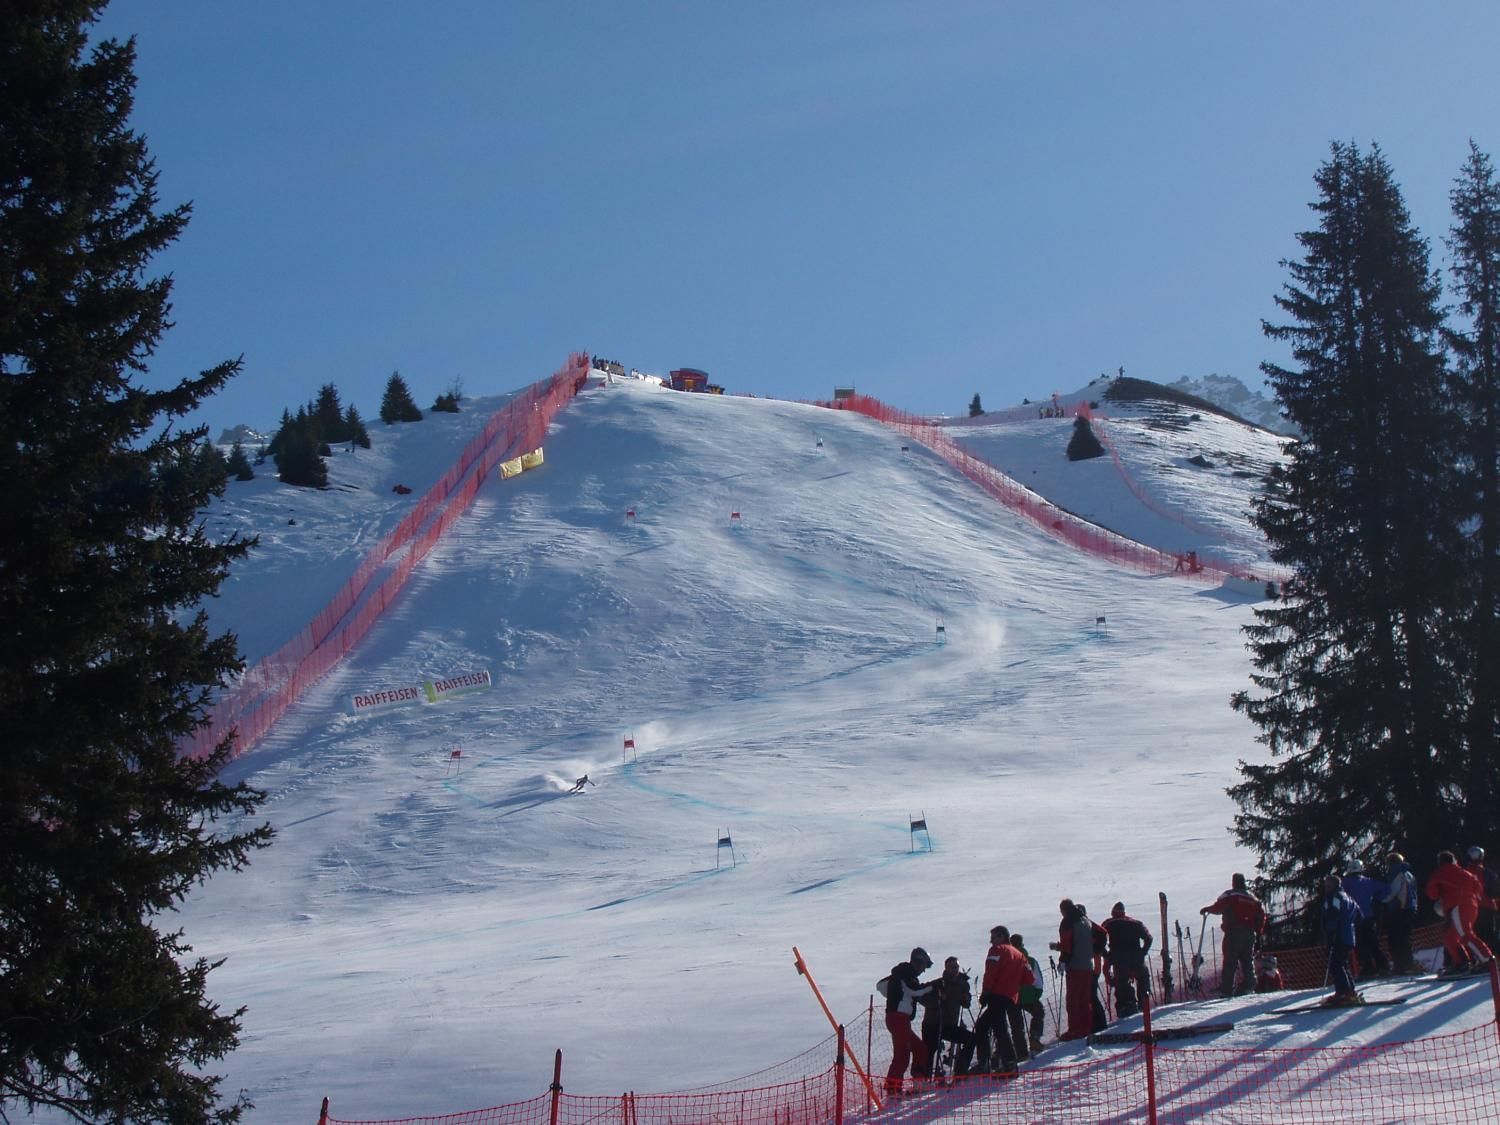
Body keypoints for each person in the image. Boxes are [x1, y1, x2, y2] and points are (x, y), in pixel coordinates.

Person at [974, 925, 1032, 1074]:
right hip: (1010, 997)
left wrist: (985, 992)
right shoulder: (1019, 954)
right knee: (993, 1026)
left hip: (996, 995)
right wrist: (1014, 983)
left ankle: (1000, 1064)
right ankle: (1000, 1063)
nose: (991, 941)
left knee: (990, 1027)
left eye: (993, 937)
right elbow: (1030, 978)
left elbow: (990, 972)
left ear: (1001, 936)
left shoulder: (997, 950)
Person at [1425, 851, 1494, 975]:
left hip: (1457, 907)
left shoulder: (1439, 874)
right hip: (1472, 906)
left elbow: (1432, 894)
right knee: (1451, 938)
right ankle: (1461, 962)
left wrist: (1443, 894)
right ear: (1454, 860)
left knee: (1465, 935)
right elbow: (1478, 887)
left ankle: (1487, 960)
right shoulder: (1465, 872)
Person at [1201, 873, 1266, 997]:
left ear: (1234, 882)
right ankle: (1249, 985)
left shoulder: (1231, 895)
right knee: (1247, 959)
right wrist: (1258, 931)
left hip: (1234, 931)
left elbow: (1219, 907)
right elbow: (1261, 916)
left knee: (1230, 960)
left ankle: (1227, 989)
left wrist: (1207, 909)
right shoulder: (1253, 898)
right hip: (1250, 933)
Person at [883, 947, 936, 1095]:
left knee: (920, 1048)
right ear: (918, 962)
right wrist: (934, 986)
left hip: (901, 1019)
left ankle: (918, 1081)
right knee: (902, 1055)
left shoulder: (908, 976)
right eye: (924, 966)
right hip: (897, 1018)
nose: (924, 970)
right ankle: (893, 1089)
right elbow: (915, 991)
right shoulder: (904, 974)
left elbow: (915, 993)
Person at [1050, 899, 1096, 1040]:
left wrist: (1062, 960)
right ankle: (1086, 1028)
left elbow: (1067, 944)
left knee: (1073, 1000)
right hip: (1088, 964)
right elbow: (1101, 933)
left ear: (1064, 910)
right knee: (1084, 998)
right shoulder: (1085, 920)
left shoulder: (1067, 922)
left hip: (1075, 965)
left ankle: (1075, 1030)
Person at [1102, 901, 1153, 1018]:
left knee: (1123, 985)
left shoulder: (1108, 923)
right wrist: (1142, 952)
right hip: (1137, 958)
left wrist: (1108, 956)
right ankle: (1144, 1005)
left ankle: (1127, 1010)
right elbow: (1148, 938)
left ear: (1113, 913)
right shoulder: (1135, 923)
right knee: (1143, 979)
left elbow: (1098, 939)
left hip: (1119, 960)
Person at [1320, 872, 1364, 1006]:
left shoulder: (1334, 898)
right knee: (1342, 963)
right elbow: (1359, 915)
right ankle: (1350, 991)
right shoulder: (1347, 897)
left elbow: (1333, 916)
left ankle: (1343, 992)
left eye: (1327, 885)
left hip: (1338, 935)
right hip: (1349, 935)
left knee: (1335, 965)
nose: (1325, 888)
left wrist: (1331, 936)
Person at [1340, 863, 1390, 979]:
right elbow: (1386, 889)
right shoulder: (1368, 881)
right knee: (1373, 942)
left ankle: (1368, 968)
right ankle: (1383, 965)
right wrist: (1378, 899)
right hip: (1369, 916)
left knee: (1359, 944)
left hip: (1355, 918)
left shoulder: (1346, 882)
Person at [1378, 852, 1423, 974]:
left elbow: (1392, 892)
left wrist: (1381, 898)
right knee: (1405, 937)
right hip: (1410, 907)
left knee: (1396, 938)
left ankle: (1402, 965)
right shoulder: (1409, 874)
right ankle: (1407, 964)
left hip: (1399, 908)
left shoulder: (1396, 873)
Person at [935, 956, 976, 1078]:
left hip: (952, 1024)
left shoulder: (961, 984)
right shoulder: (940, 984)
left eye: (956, 967)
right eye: (952, 967)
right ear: (946, 968)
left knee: (971, 1039)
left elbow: (966, 1004)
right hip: (938, 1024)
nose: (954, 969)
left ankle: (961, 1069)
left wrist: (966, 997)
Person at [1010, 934, 1046, 1054]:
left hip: (1012, 997)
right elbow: (1038, 982)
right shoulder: (1030, 960)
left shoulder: (1006, 960)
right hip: (1030, 996)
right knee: (1039, 1012)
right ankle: (1034, 1039)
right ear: (1022, 944)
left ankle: (1020, 1051)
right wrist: (1036, 994)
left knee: (1016, 1026)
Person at [1463, 846, 1500, 953]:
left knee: (1477, 935)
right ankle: (1495, 958)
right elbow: (1495, 890)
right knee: (1491, 933)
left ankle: (1484, 958)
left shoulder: (1465, 873)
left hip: (1473, 908)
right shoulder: (1488, 872)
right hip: (1489, 906)